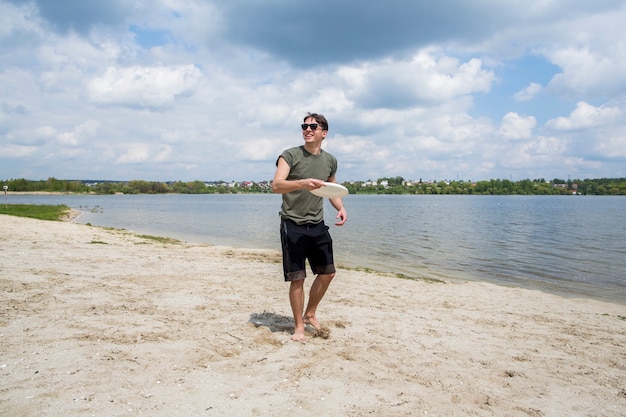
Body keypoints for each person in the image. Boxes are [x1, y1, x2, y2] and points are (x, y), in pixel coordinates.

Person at [272, 112, 348, 341]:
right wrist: (303, 183)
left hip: (317, 224)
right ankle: (298, 327)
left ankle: (310, 313)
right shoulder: (290, 155)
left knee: (328, 273)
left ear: (323, 133)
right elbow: (277, 185)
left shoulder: (330, 160)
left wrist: (340, 208)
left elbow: (331, 190)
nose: (308, 129)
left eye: (313, 126)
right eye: (304, 126)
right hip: (292, 223)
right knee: (298, 277)